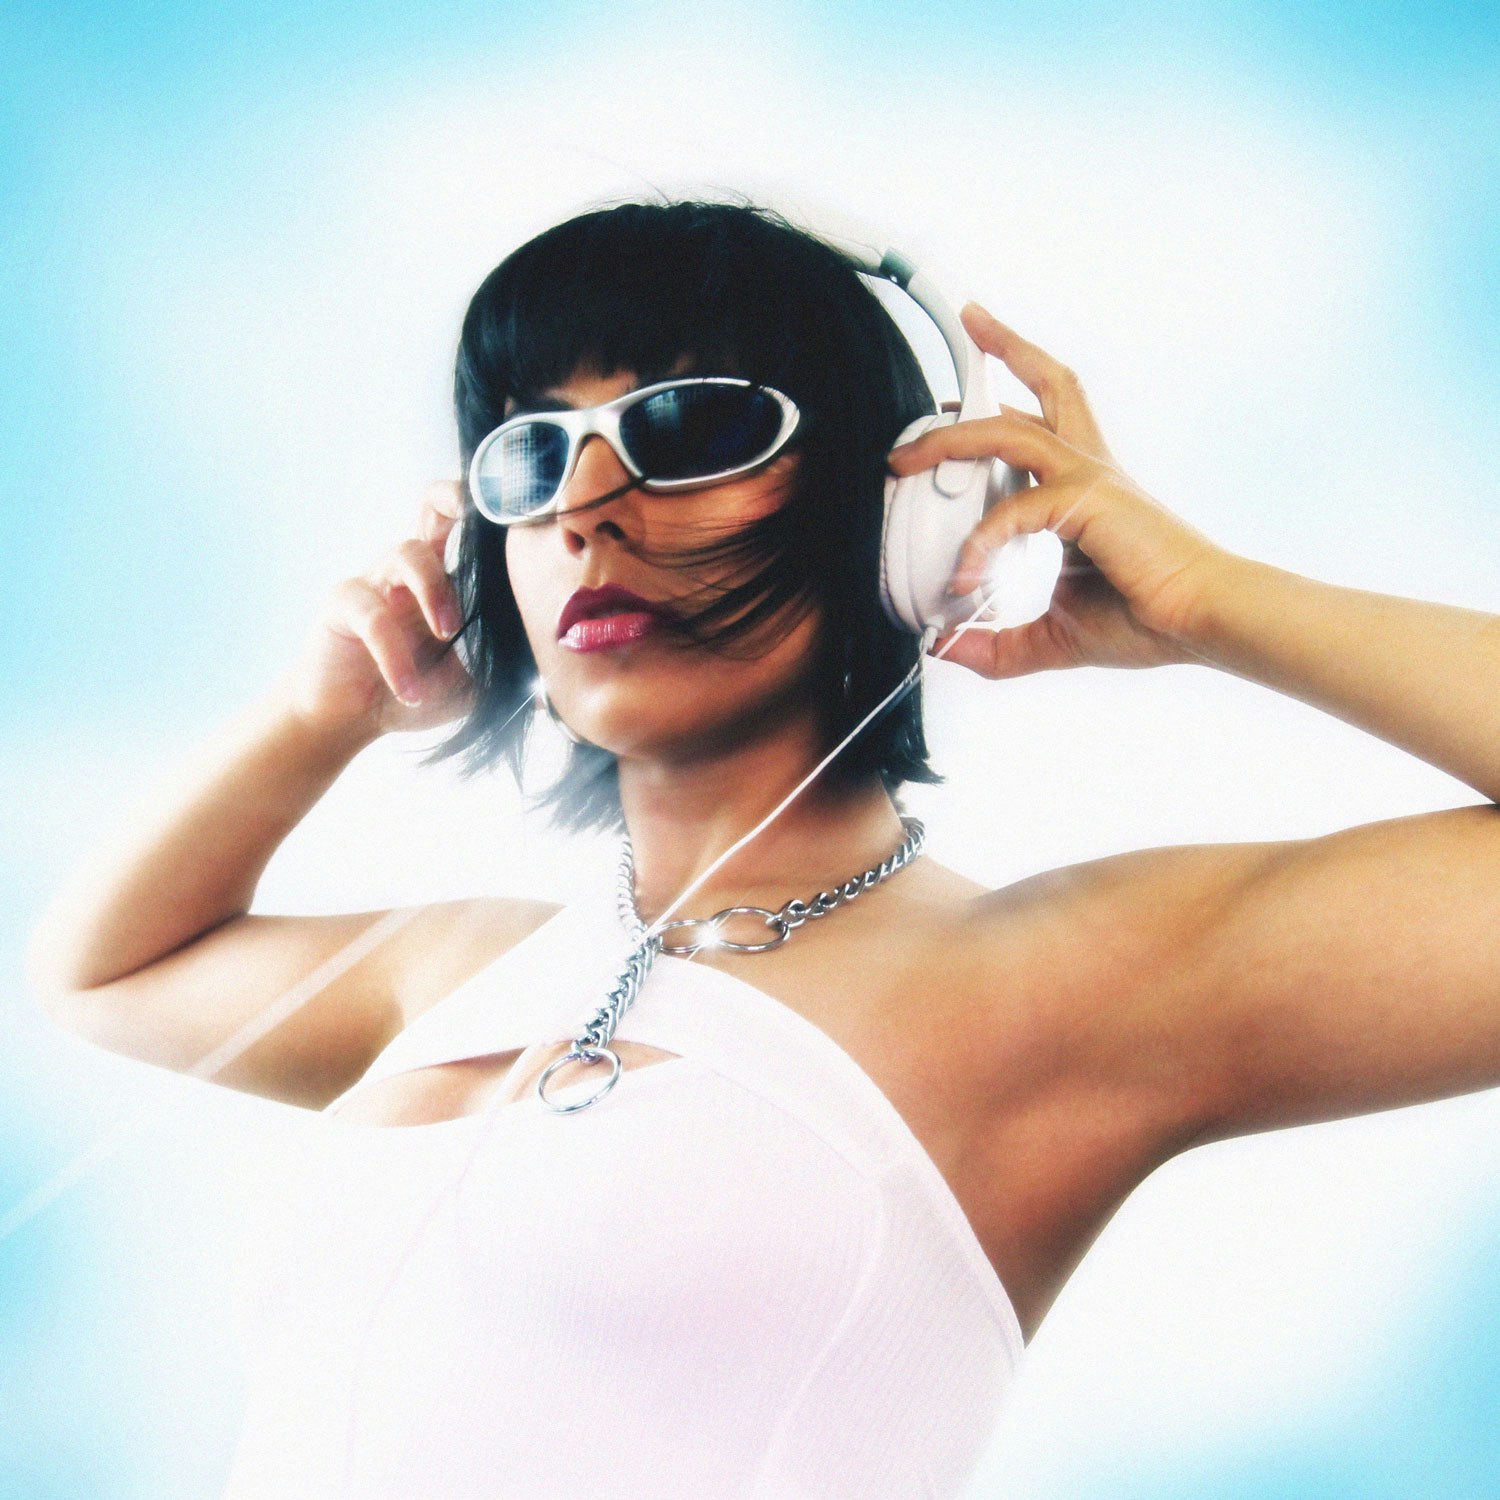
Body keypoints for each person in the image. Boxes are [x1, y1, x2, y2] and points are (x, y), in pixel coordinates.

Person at [26, 196, 1500, 1499]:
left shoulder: (1052, 989)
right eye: (530, 454)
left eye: (686, 429)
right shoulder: (455, 968)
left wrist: (1207, 600)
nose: (585, 509)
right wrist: (319, 717)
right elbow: (101, 976)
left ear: (911, 512)